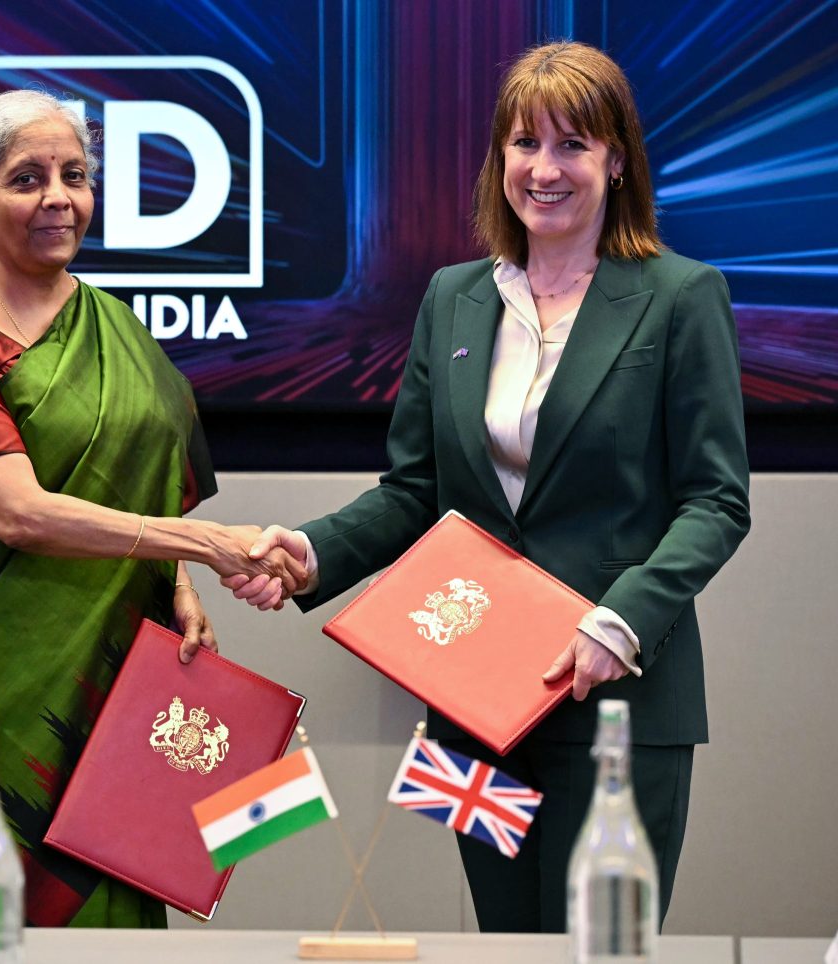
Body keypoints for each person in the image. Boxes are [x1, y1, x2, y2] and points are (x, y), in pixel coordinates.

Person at [226, 42, 750, 932]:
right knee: (503, 943)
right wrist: (312, 554)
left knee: (601, 948)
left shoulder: (680, 296)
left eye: (573, 146)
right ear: (498, 159)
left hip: (617, 697)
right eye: (524, 144)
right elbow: (417, 490)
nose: (545, 170)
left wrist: (618, 623)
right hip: (471, 709)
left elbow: (716, 501)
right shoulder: (453, 298)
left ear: (617, 160)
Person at [0, 90, 305, 929]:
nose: (59, 196)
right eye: (28, 178)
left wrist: (176, 583)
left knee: (108, 888)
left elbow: (145, 479)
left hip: (112, 675)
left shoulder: (118, 327)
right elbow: (16, 511)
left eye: (75, 175)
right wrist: (206, 544)